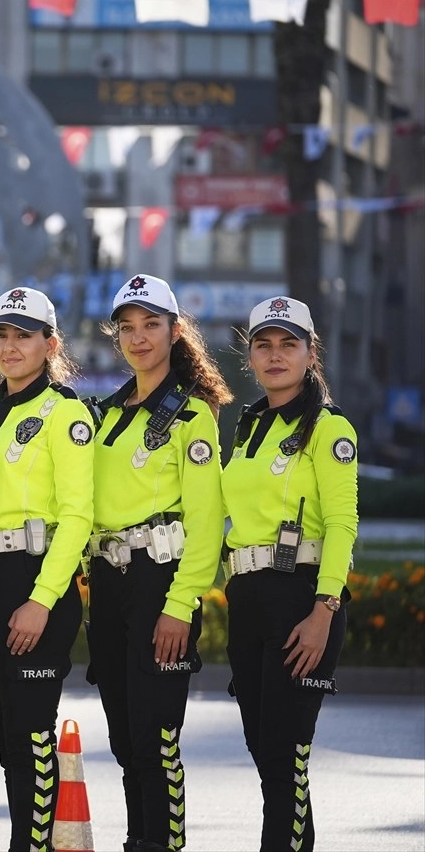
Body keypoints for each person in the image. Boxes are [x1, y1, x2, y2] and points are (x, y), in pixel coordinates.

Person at [86, 274, 233, 852]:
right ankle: (137, 841)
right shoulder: (107, 412)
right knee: (124, 739)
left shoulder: (191, 415)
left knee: (157, 739)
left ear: (175, 332)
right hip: (109, 582)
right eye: (128, 328)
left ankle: (164, 844)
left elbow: (206, 521)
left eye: (151, 326)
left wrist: (180, 605)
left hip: (159, 584)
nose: (139, 338)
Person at [0, 287, 94, 852]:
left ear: (50, 344)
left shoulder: (66, 415)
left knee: (33, 735)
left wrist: (42, 600)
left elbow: (78, 517)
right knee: (4, 735)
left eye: (24, 336)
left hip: (36, 581)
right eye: (2, 335)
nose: (11, 347)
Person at [222, 297, 356, 852]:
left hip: (302, 602)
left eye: (288, 344)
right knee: (269, 757)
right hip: (248, 599)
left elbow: (343, 525)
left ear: (309, 352)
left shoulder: (328, 428)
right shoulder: (248, 425)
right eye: (263, 345)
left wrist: (324, 610)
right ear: (250, 355)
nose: (275, 356)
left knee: (285, 757)